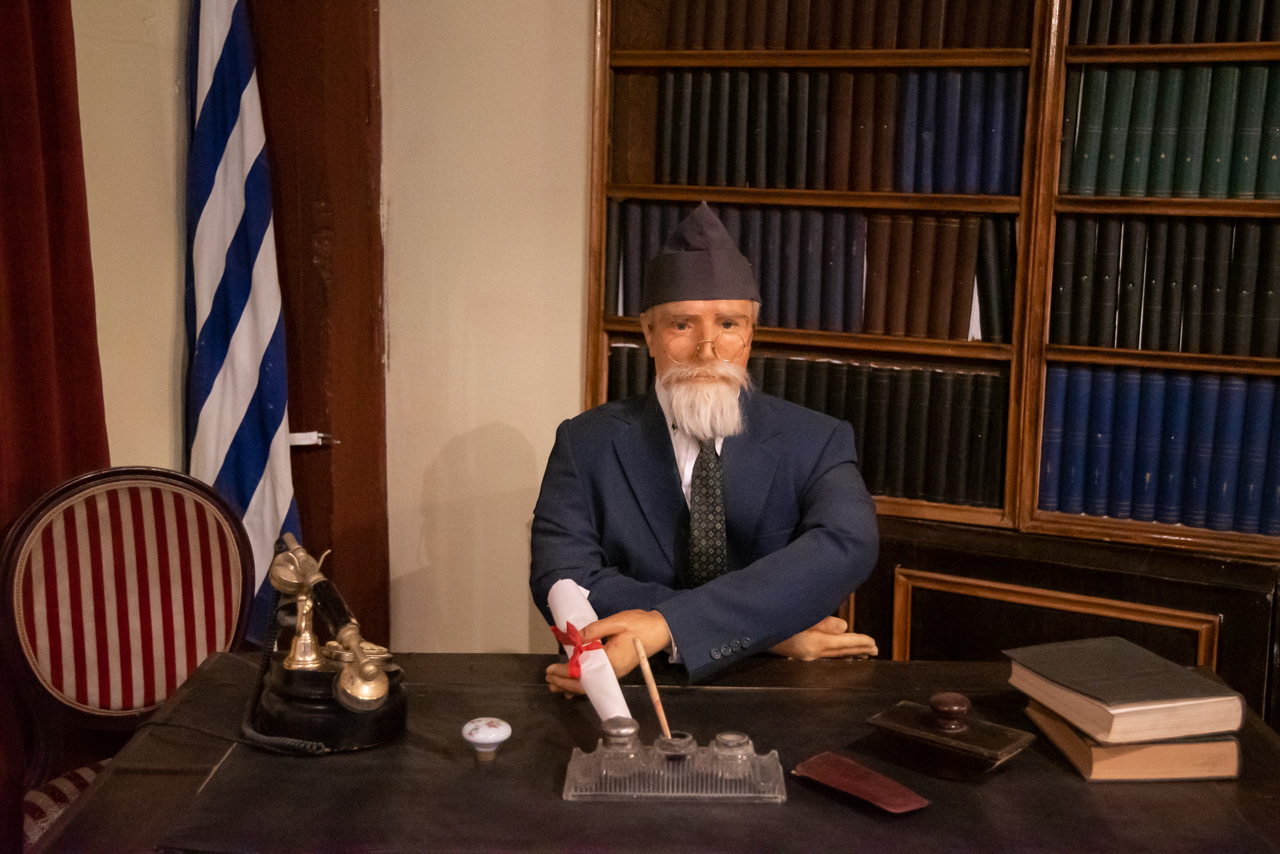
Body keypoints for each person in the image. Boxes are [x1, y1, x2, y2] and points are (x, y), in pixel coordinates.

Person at [530, 203, 879, 694]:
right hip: (632, 685)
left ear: (751, 333)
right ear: (648, 334)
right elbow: (562, 575)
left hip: (776, 694)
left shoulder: (817, 440)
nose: (707, 348)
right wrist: (769, 635)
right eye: (682, 325)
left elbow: (847, 546)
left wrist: (666, 627)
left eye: (729, 325)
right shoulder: (584, 442)